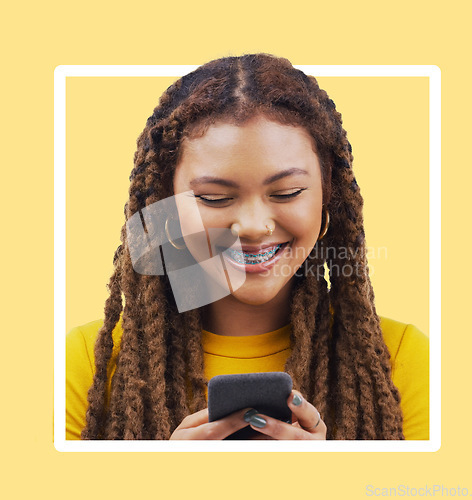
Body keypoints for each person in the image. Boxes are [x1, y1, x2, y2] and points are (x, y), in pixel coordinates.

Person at [66, 53, 429, 440]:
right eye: (213, 197)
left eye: (287, 192)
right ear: (165, 208)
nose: (254, 227)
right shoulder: (87, 362)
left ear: (329, 199)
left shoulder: (401, 358)